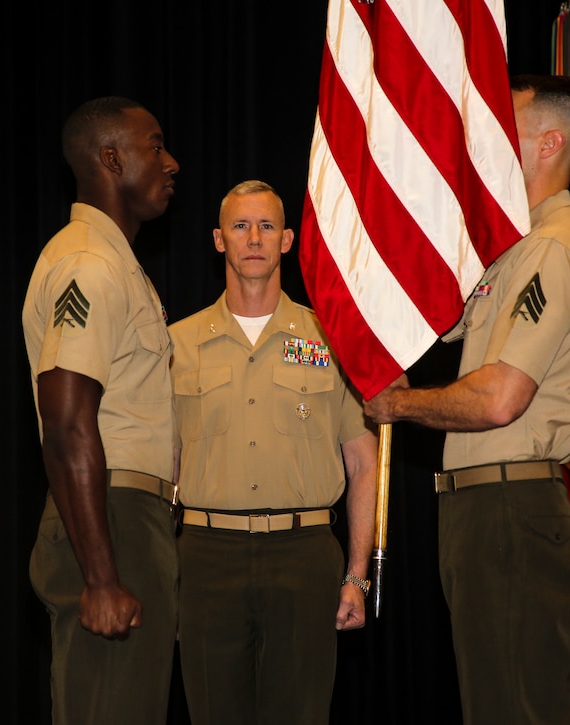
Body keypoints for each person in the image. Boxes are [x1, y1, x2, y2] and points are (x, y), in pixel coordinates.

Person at [363, 74, 570, 724]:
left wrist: (400, 406)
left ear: (550, 143)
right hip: (483, 504)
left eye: (507, 124)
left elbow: (501, 399)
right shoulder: (513, 250)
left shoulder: (555, 250)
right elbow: (441, 319)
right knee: (496, 701)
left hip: (511, 506)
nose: (488, 136)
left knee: (514, 707)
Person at [170, 180, 378, 724]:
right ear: (219, 240)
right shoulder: (176, 344)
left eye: (266, 226)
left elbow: (362, 461)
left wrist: (356, 574)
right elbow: (161, 464)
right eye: (240, 226)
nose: (254, 238)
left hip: (304, 553)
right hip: (206, 555)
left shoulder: (330, 339)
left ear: (287, 240)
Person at [21, 96, 181, 725]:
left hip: (127, 517)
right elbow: (64, 422)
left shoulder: (118, 262)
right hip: (108, 515)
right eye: (155, 145)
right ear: (111, 159)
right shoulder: (88, 263)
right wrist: (101, 577)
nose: (172, 163)